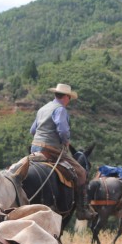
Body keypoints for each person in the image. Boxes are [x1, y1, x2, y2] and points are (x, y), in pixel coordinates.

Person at [30, 83, 97, 220]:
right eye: (69, 97)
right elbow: (63, 130)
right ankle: (82, 209)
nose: (69, 100)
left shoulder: (43, 109)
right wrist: (65, 141)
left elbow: (32, 131)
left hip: (34, 148)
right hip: (51, 150)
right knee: (82, 173)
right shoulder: (60, 109)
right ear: (66, 97)